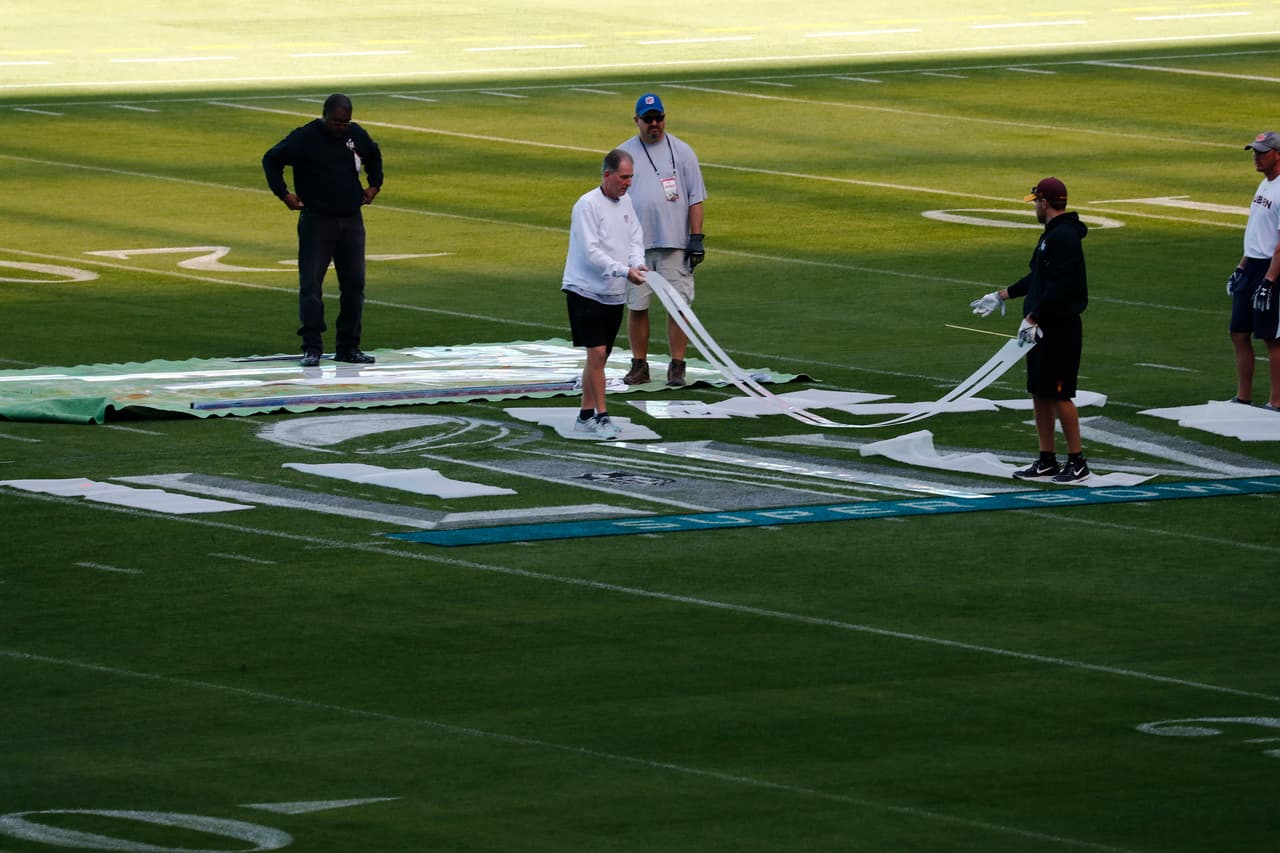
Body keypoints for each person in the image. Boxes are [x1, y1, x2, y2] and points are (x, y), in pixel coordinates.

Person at [970, 177, 1091, 483]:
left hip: (1059, 327)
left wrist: (1036, 316)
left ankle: (1077, 462)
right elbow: (1038, 278)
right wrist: (1002, 295)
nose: (1034, 207)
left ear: (1045, 202)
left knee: (1061, 395)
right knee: (1040, 392)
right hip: (1042, 327)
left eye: (1036, 201)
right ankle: (1046, 459)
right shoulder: (1053, 234)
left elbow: (1061, 286)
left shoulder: (1063, 237)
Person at [262, 93, 383, 367]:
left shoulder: (354, 135)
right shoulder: (305, 137)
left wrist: (374, 185)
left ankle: (348, 347)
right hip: (318, 219)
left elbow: (374, 155)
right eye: (336, 121)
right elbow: (271, 159)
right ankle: (312, 348)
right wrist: (284, 194)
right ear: (324, 115)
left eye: (345, 122)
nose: (341, 127)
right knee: (311, 285)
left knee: (354, 284)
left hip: (351, 218)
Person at [617, 92, 708, 387]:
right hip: (635, 248)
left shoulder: (682, 152)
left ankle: (677, 366)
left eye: (659, 118)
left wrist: (696, 237)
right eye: (648, 119)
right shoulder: (623, 155)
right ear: (636, 121)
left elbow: (696, 198)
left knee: (678, 305)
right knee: (637, 306)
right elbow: (612, 199)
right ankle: (639, 364)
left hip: (674, 243)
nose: (654, 124)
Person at [562, 149, 648, 440]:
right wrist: (624, 271)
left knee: (601, 357)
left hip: (613, 292)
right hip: (584, 288)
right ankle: (602, 416)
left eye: (631, 178)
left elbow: (635, 237)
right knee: (597, 353)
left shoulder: (626, 203)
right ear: (607, 175)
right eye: (624, 177)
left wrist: (637, 262)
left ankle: (585, 414)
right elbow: (590, 253)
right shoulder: (587, 205)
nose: (628, 183)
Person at [1227, 131, 1280, 410]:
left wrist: (1270, 280)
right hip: (1252, 266)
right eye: (1255, 152)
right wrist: (1241, 266)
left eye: (1262, 152)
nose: (1256, 157)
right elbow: (1257, 232)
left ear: (1278, 154)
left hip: (1272, 270)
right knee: (1238, 331)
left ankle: (1276, 401)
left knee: (1272, 338)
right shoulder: (1265, 185)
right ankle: (1243, 396)